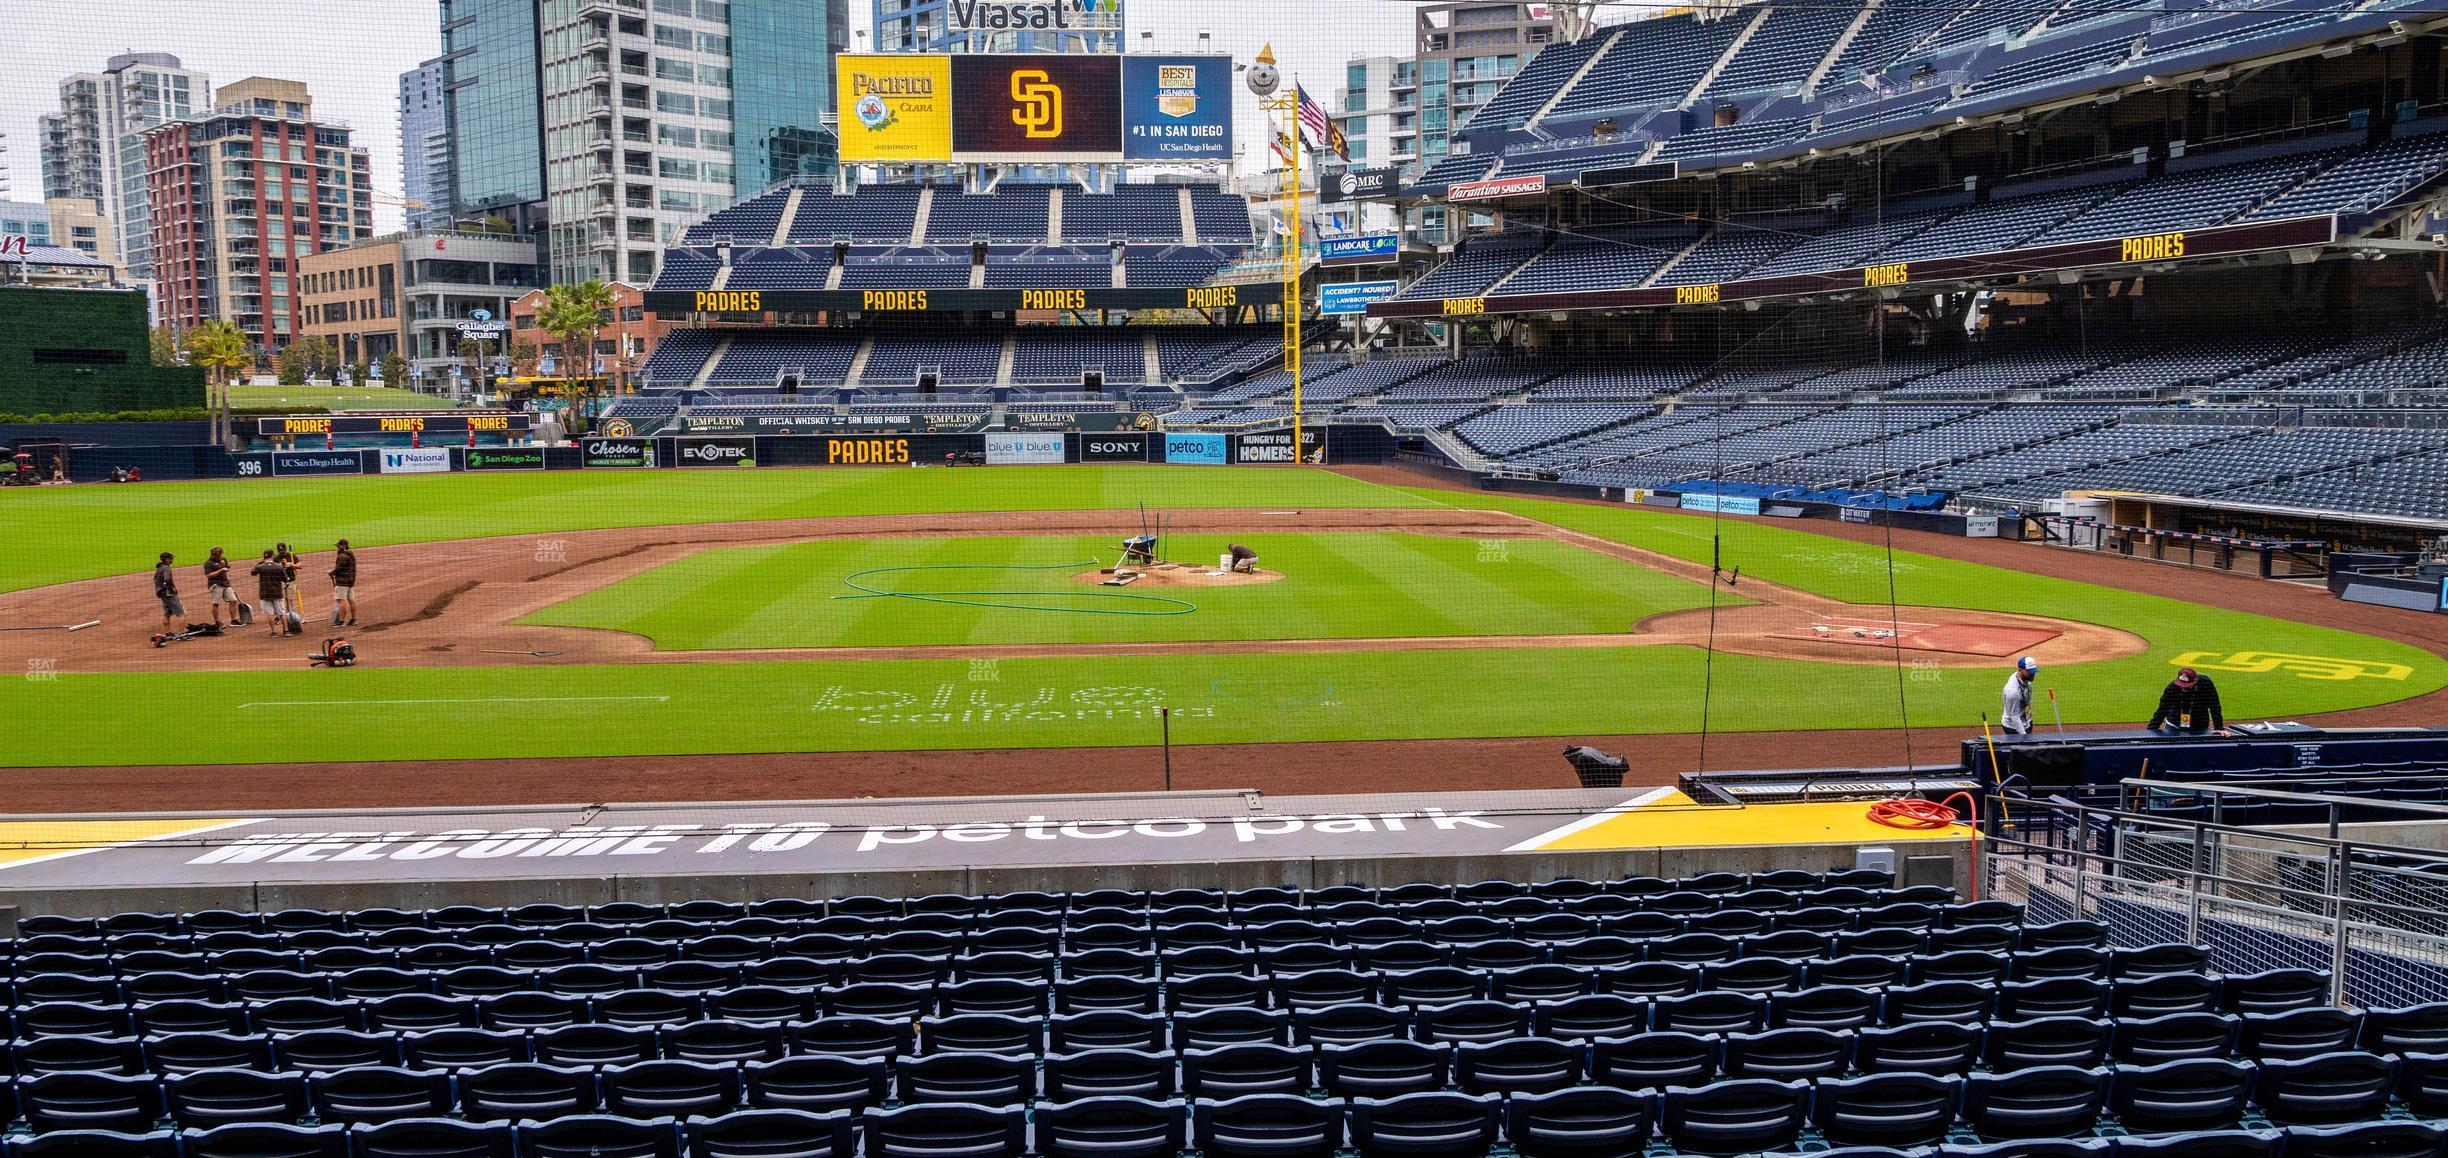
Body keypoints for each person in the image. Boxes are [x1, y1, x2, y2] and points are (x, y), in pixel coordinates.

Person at [2149, 666, 2227, 735]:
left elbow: (2214, 705)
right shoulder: (2172, 688)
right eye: (2181, 685)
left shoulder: (2205, 683)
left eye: (2187, 686)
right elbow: (2162, 710)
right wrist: (2150, 732)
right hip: (2174, 724)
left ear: (2195, 681)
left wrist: (2219, 727)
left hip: (2199, 726)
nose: (2183, 688)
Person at [252, 549, 292, 637]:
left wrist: (260, 563)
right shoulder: (279, 566)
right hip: (277, 593)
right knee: (281, 613)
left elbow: (252, 572)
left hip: (265, 594)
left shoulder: (260, 567)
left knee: (270, 614)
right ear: (273, 556)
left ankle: (274, 632)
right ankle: (286, 631)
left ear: (264, 557)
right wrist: (287, 583)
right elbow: (286, 580)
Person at [2000, 656, 2039, 735]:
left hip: (2026, 722)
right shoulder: (2013, 691)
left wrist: (2029, 722)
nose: (2033, 674)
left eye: (2033, 671)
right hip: (2013, 727)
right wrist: (2023, 735)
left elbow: (2027, 704)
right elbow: (2014, 717)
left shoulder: (2026, 680)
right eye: (2030, 672)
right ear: (2020, 670)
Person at [329, 539, 359, 627]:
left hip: (342, 581)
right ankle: (354, 620)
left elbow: (338, 569)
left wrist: (331, 572)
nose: (337, 548)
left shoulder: (342, 556)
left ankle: (341, 621)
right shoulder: (351, 555)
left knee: (341, 601)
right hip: (350, 581)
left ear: (343, 546)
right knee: (351, 600)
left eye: (338, 546)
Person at [202, 547, 233, 628]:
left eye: (221, 554)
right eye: (219, 554)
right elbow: (208, 575)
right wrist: (220, 570)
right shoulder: (208, 563)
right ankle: (217, 622)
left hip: (225, 583)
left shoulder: (223, 559)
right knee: (216, 603)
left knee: (233, 600)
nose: (220, 556)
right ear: (214, 555)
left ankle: (234, 620)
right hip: (215, 584)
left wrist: (227, 574)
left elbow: (225, 568)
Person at [153, 552, 184, 634]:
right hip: (168, 593)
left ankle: (167, 632)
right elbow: (167, 579)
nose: (172, 559)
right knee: (182, 613)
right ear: (167, 559)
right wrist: (172, 588)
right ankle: (181, 634)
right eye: (171, 558)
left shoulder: (160, 568)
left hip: (162, 593)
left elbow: (155, 580)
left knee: (167, 613)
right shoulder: (166, 568)